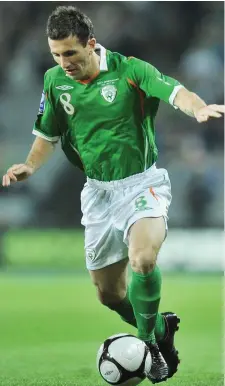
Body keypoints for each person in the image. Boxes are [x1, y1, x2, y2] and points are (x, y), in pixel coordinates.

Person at [2, 6, 224, 384]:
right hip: (98, 194)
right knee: (109, 294)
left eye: (70, 53)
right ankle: (159, 332)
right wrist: (30, 165)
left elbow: (175, 92)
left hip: (142, 183)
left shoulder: (131, 70)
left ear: (91, 43)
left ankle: (147, 346)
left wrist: (198, 108)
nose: (63, 61)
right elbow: (47, 135)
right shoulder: (55, 81)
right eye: (56, 54)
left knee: (143, 259)